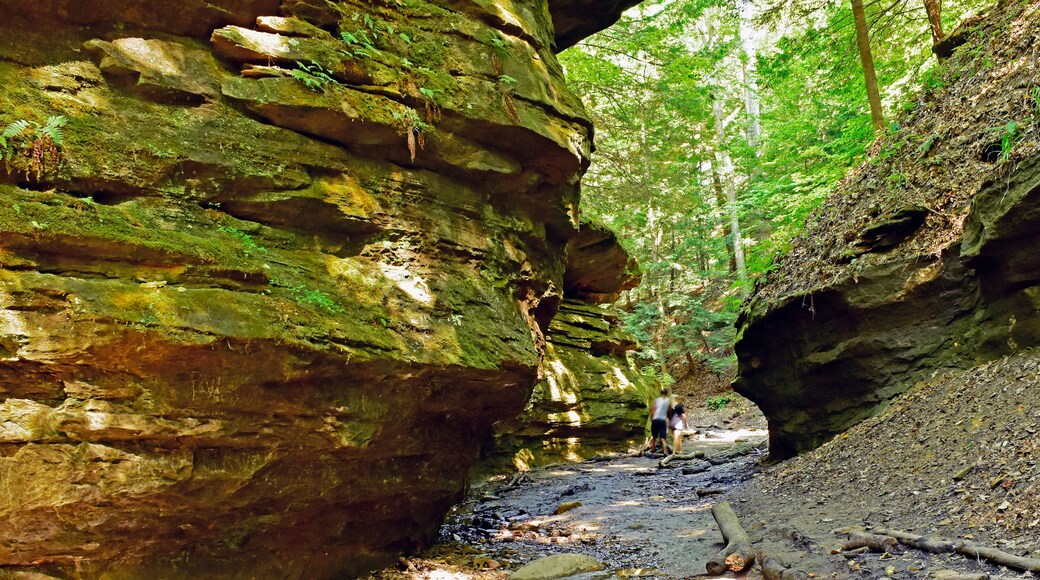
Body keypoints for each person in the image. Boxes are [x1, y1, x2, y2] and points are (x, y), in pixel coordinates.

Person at [649, 387, 671, 455]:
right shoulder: (669, 401)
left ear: (660, 393)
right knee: (663, 438)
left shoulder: (656, 400)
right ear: (667, 393)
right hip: (663, 420)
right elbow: (669, 412)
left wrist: (652, 420)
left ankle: (653, 449)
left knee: (654, 436)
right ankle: (665, 451)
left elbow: (652, 411)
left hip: (656, 419)